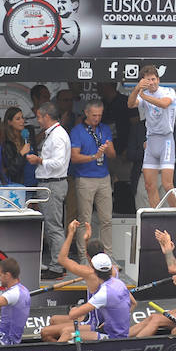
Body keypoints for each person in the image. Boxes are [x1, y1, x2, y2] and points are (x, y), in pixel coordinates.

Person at [40, 220, 115, 342]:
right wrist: (86, 241)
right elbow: (91, 258)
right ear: (104, 253)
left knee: (45, 332)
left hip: (94, 323)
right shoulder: (113, 269)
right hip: (93, 316)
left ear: (87, 256)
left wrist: (71, 233)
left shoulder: (89, 273)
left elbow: (62, 259)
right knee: (53, 320)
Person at [70, 99, 116, 259]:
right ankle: (84, 257)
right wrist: (93, 156)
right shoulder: (77, 130)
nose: (97, 118)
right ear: (86, 113)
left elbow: (113, 155)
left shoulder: (105, 129)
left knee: (107, 220)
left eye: (100, 115)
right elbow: (74, 157)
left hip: (103, 177)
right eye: (94, 115)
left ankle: (108, 257)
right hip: (85, 178)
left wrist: (106, 149)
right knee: (85, 220)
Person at [127, 65, 176, 207]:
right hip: (151, 140)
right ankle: (156, 214)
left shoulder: (168, 91)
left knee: (167, 184)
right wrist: (137, 89)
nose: (152, 82)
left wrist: (144, 96)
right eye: (148, 80)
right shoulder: (143, 94)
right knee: (149, 185)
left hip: (166, 140)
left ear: (158, 79)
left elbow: (164, 104)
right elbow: (130, 104)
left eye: (153, 79)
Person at [32, 102, 71, 280]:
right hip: (51, 183)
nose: (38, 121)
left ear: (47, 116)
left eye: (39, 117)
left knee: (53, 226)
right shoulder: (55, 134)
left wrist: (39, 161)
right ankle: (58, 264)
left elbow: (58, 163)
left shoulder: (57, 136)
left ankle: (57, 267)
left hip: (52, 184)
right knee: (52, 225)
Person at [58, 252, 135, 341]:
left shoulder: (103, 293)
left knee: (67, 334)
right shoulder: (120, 283)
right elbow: (133, 303)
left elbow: (72, 315)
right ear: (110, 269)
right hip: (117, 331)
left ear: (94, 271)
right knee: (69, 333)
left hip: (112, 337)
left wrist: (74, 309)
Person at [0, 107, 37, 185]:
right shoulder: (8, 144)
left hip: (34, 183)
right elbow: (12, 170)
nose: (22, 121)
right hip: (20, 185)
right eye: (18, 119)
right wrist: (21, 153)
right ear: (9, 122)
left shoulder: (27, 135)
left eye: (22, 118)